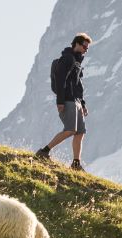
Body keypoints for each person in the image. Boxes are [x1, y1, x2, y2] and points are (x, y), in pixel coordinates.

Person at [35, 33, 92, 170]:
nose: (86, 50)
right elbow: (60, 80)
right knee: (70, 130)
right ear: (77, 44)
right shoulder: (67, 58)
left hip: (76, 101)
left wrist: (83, 104)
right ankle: (44, 151)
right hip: (67, 100)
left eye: (87, 48)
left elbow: (79, 86)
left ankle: (76, 164)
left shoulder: (77, 62)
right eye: (85, 46)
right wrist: (60, 101)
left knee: (80, 132)